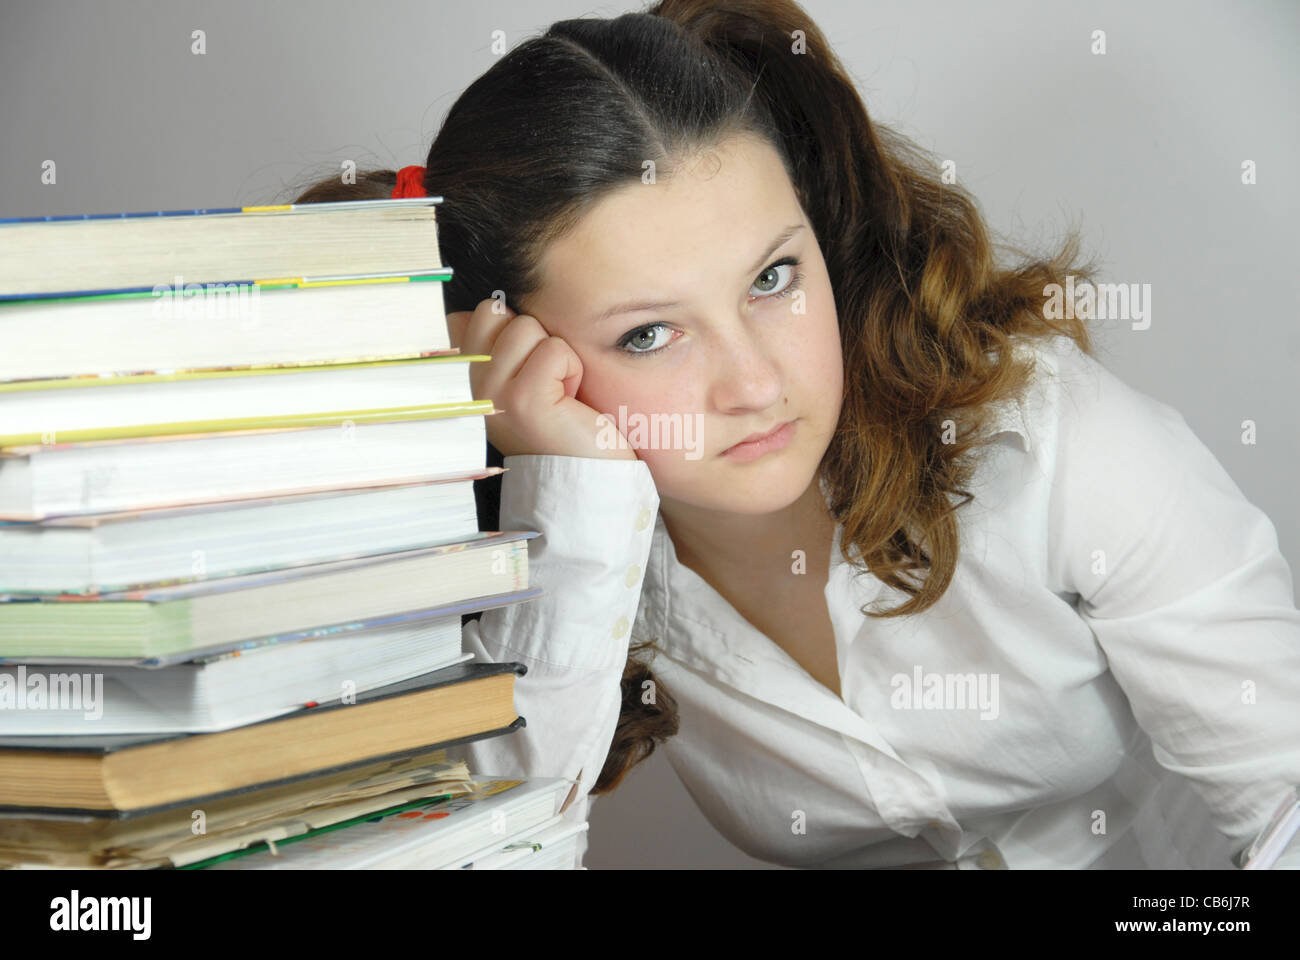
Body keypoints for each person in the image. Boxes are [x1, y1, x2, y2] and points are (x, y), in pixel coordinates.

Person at [292, 0, 1300, 869]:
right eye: (648, 333)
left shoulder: (1055, 446)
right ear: (512, 352)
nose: (755, 382)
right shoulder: (578, 552)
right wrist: (570, 494)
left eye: (771, 279)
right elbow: (493, 851)